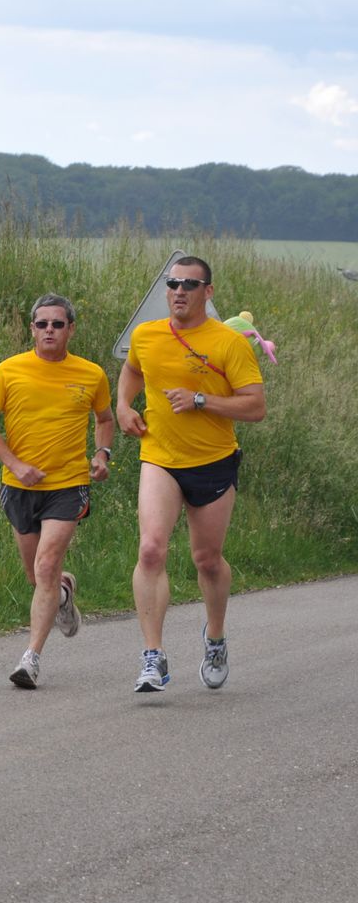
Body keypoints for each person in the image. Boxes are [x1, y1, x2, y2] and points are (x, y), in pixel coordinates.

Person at [117, 256, 265, 692]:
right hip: (160, 457)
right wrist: (124, 406)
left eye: (190, 284)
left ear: (208, 292)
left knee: (207, 559)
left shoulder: (228, 343)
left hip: (213, 460)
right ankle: (153, 657)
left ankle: (215, 637)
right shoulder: (147, 335)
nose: (179, 291)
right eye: (173, 283)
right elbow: (132, 370)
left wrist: (202, 400)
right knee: (150, 550)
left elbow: (255, 407)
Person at [0, 294, 115, 689]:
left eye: (57, 324)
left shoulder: (91, 374)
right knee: (38, 577)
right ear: (32, 329)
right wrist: (16, 465)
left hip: (68, 484)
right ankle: (64, 595)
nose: (49, 330)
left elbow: (105, 418)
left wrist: (102, 454)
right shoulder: (9, 370)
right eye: (42, 324)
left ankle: (30, 659)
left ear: (71, 328)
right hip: (19, 486)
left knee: (46, 566)